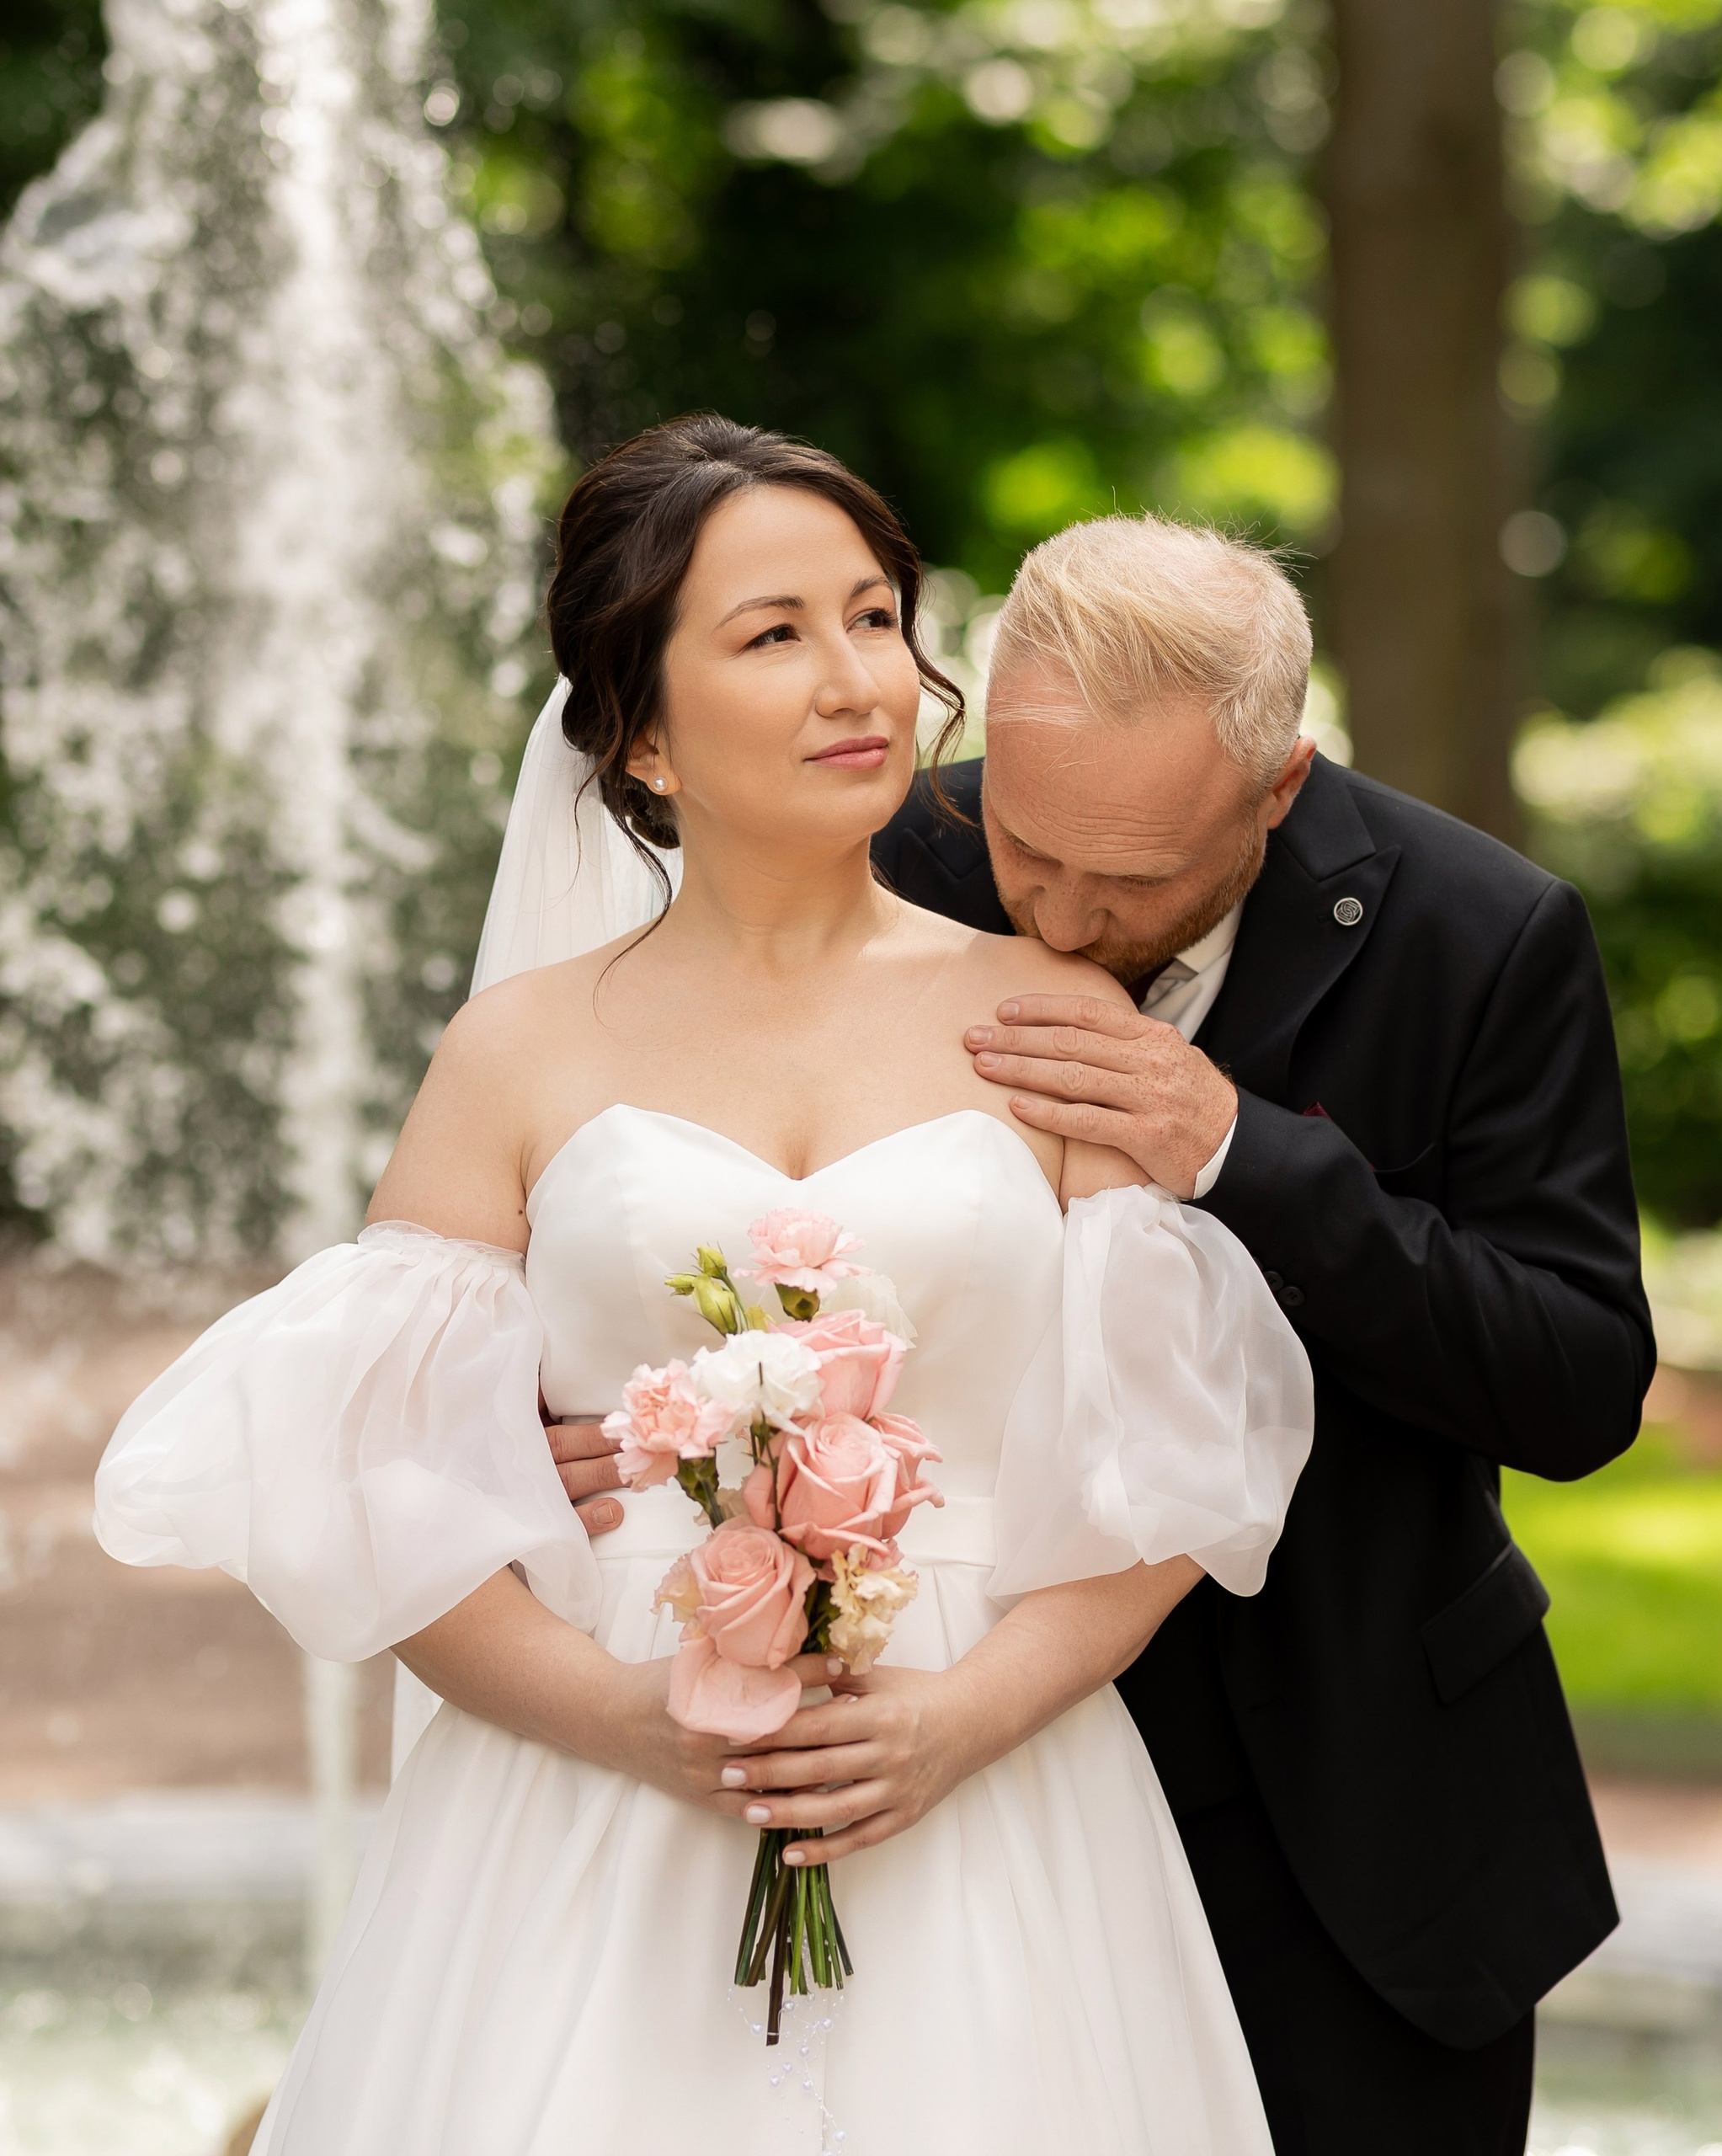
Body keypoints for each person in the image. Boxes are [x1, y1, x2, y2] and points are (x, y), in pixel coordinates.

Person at [93, 418, 1314, 2154]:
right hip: (590, 1791)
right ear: (642, 735)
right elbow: (380, 1488)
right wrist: (634, 1718)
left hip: (975, 1787)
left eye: (876, 615)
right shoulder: (515, 1049)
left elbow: (1168, 1473)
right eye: (774, 633)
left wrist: (956, 1718)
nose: (859, 679)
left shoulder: (1055, 1021)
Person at [555, 514, 1658, 2155]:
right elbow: (645, 1191)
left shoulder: (1477, 934)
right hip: (958, 1789)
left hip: (1345, 1819)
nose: (1058, 922)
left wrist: (1239, 1152)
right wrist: (592, 1416)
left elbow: (1573, 1381)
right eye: (1025, 845)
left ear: (1276, 788)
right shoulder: (878, 848)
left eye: (1131, 880)